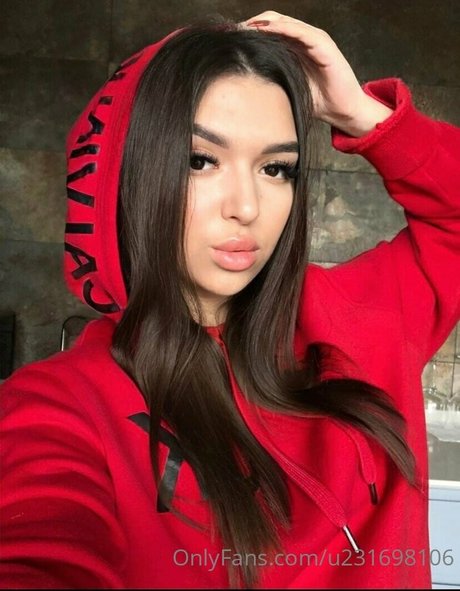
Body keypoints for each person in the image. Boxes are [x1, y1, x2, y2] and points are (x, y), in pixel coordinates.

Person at [1, 9, 459, 589]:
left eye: (276, 168)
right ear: (131, 174)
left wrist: (362, 115)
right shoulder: (60, 408)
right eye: (201, 161)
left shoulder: (362, 316)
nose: (246, 206)